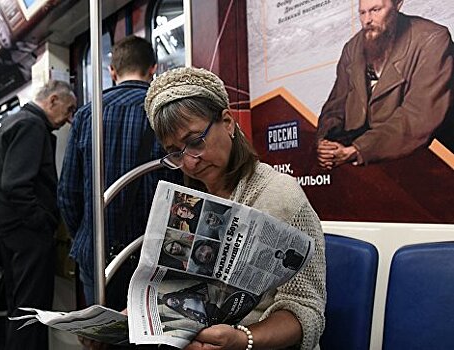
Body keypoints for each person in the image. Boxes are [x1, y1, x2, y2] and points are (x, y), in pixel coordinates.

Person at [145, 67, 326, 349]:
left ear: (227, 123)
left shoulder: (281, 196)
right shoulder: (188, 204)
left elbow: (306, 310)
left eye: (195, 142)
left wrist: (243, 339)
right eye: (176, 153)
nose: (190, 162)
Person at [58, 35, 182, 310]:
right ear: (154, 69)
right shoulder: (166, 113)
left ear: (112, 71)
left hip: (98, 251)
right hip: (153, 249)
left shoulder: (87, 115)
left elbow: (68, 193)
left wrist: (87, 232)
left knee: (104, 333)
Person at [0, 80, 76, 350]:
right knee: (31, 309)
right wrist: (43, 222)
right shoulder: (31, 125)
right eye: (69, 108)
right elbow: (17, 184)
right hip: (27, 232)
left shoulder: (16, 120)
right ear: (52, 100)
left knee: (20, 305)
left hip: (12, 229)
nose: (69, 118)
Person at [316, 0, 454, 169]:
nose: (367, 20)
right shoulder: (352, 48)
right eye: (362, 13)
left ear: (398, 4)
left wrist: (358, 150)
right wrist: (325, 142)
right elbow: (335, 106)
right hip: (365, 163)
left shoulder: (433, 39)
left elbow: (418, 116)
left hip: (427, 162)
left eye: (375, 10)